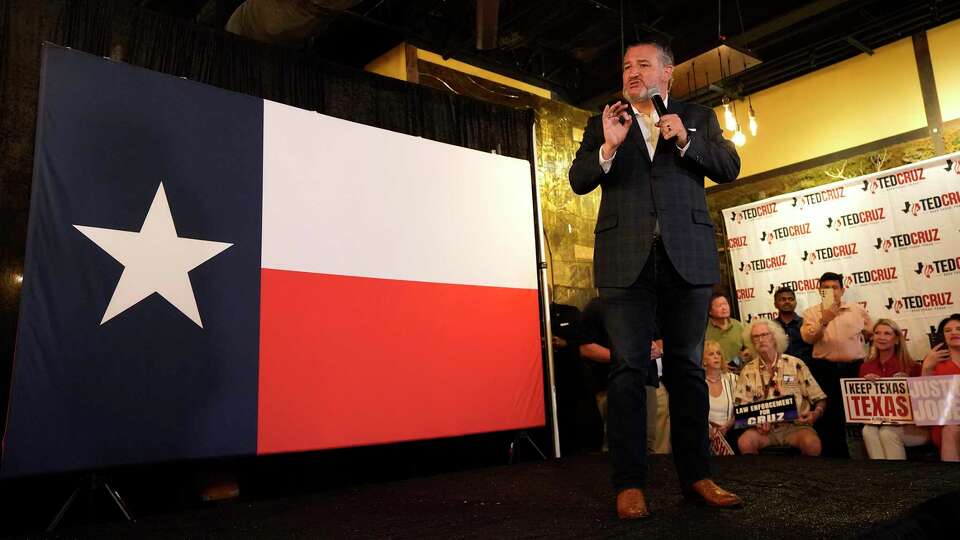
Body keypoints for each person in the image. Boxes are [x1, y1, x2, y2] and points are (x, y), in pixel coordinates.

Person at [568, 36, 741, 519]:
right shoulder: (603, 121)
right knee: (627, 369)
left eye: (643, 64)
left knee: (686, 370)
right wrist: (607, 146)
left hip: (687, 258)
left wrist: (685, 138)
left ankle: (698, 477)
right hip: (626, 261)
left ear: (668, 73)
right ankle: (629, 484)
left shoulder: (698, 117)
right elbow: (580, 180)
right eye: (626, 66)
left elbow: (730, 166)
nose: (632, 73)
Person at [579, 298, 669, 454]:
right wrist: (623, 357)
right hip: (611, 383)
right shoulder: (596, 306)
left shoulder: (645, 304)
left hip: (647, 381)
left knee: (648, 441)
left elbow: (658, 338)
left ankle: (649, 477)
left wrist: (657, 349)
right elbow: (586, 348)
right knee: (616, 444)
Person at [800, 272, 872, 458]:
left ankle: (868, 458)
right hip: (825, 370)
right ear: (820, 291)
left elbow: (872, 333)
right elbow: (808, 339)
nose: (831, 291)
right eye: (826, 288)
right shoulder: (811, 313)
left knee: (862, 415)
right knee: (830, 418)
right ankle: (837, 461)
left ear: (842, 289)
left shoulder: (857, 310)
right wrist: (825, 319)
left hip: (854, 369)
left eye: (834, 287)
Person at [736, 320, 827, 456]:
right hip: (764, 430)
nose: (761, 340)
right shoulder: (748, 370)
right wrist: (756, 422)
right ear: (751, 342)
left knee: (812, 443)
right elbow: (741, 407)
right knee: (745, 442)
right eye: (756, 337)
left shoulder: (795, 364)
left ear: (774, 337)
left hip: (796, 427)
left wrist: (816, 413)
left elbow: (820, 398)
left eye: (764, 335)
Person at [859, 319, 927, 460]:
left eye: (887, 333)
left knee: (887, 432)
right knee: (868, 430)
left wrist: (908, 385)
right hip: (879, 422)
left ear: (896, 340)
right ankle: (881, 476)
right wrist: (865, 387)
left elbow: (925, 403)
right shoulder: (866, 367)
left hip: (911, 425)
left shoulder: (912, 366)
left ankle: (896, 477)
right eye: (877, 333)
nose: (881, 337)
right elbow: (863, 408)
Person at [921, 314, 960, 461]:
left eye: (958, 329)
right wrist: (926, 369)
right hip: (945, 425)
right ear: (943, 336)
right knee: (951, 429)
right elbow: (924, 403)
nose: (954, 332)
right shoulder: (932, 361)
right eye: (948, 330)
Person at [702, 340, 737, 455]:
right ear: (704, 360)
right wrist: (708, 430)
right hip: (704, 434)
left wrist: (728, 426)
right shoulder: (698, 383)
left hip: (731, 432)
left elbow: (741, 408)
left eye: (718, 353)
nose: (716, 356)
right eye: (711, 354)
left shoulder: (733, 380)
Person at [704, 293, 745, 370]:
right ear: (710, 311)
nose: (724, 308)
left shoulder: (737, 325)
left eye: (725, 304)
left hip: (738, 371)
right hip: (714, 373)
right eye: (719, 306)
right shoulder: (704, 329)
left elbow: (747, 347)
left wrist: (744, 354)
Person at [773, 286, 813, 365]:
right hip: (779, 371)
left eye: (791, 299)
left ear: (795, 303)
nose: (787, 301)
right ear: (775, 304)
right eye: (782, 299)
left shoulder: (806, 323)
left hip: (804, 370)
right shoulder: (771, 327)